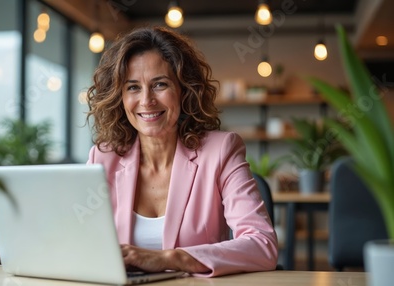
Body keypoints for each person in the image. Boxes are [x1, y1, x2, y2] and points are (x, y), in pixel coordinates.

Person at [86, 26, 278, 277]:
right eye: (133, 87)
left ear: (184, 90)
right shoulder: (102, 159)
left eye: (160, 84)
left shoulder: (221, 151)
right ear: (119, 97)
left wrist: (172, 258)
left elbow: (262, 245)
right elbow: (79, 243)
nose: (146, 101)